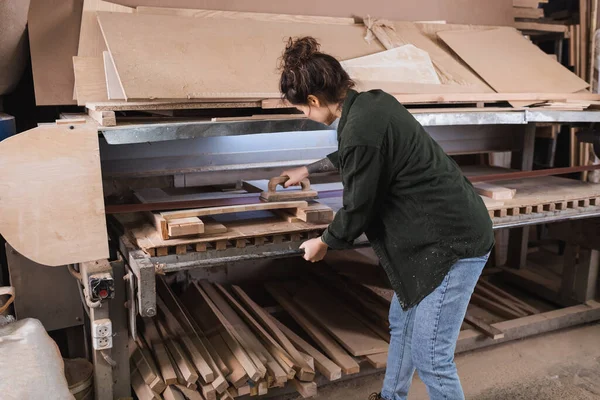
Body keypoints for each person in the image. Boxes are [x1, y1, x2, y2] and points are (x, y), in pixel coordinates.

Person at [278, 37, 494, 400]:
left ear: (313, 100)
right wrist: (307, 169)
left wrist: (324, 243)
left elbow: (358, 208)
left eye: (302, 109)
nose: (305, 115)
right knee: (402, 323)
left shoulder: (362, 126)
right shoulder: (371, 104)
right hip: (430, 237)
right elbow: (356, 150)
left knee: (432, 359)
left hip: (453, 243)